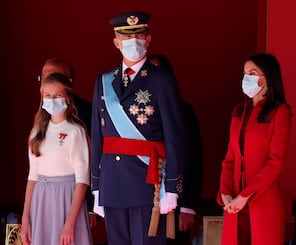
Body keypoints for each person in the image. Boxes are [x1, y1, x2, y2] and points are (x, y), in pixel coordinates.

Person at [91, 11, 186, 245]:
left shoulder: (162, 80)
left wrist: (173, 186)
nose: (133, 42)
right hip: (112, 182)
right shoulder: (103, 81)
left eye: (139, 35)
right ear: (116, 42)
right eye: (126, 37)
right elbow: (97, 137)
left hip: (149, 184)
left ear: (149, 39)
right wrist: (96, 186)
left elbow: (175, 136)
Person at [217, 53, 292, 245]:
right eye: (245, 73)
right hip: (235, 203)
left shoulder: (279, 112)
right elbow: (229, 159)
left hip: (262, 201)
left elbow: (275, 163)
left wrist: (245, 195)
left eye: (252, 73)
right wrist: (225, 192)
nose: (246, 78)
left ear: (267, 78)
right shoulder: (239, 112)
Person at [20, 72, 93, 245]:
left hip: (67, 199)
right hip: (42, 200)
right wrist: (25, 219)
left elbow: (82, 180)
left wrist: (70, 222)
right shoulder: (37, 133)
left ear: (67, 98)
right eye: (47, 96)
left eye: (58, 95)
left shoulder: (76, 131)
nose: (52, 100)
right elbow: (32, 177)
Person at [148, 54, 203, 245]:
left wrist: (188, 207)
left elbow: (193, 159)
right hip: (142, 199)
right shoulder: (131, 113)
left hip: (175, 201)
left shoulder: (183, 111)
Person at [39, 57, 98, 227]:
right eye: (43, 77)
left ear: (69, 82)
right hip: (46, 198)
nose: (47, 81)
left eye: (53, 76)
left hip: (76, 197)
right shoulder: (42, 117)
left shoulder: (87, 113)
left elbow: (91, 163)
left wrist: (90, 205)